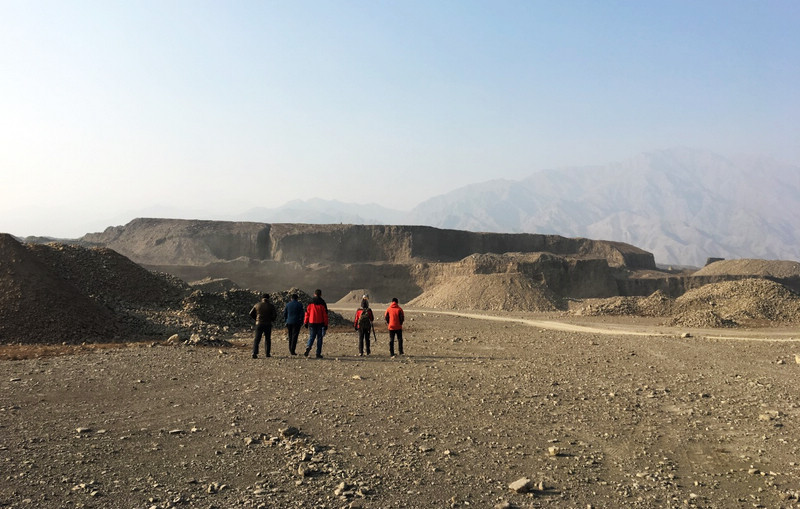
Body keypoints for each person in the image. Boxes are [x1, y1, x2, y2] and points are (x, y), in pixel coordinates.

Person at [249, 293, 277, 358]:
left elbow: (250, 313)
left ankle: (254, 352)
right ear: (268, 298)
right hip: (268, 324)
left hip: (259, 324)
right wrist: (271, 320)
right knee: (267, 339)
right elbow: (275, 315)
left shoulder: (257, 305)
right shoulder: (271, 306)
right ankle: (267, 353)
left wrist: (256, 319)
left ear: (262, 298)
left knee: (257, 338)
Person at [303, 289, 329, 358]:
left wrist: (305, 322)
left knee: (312, 336)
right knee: (319, 338)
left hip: (311, 322)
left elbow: (307, 313)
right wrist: (326, 324)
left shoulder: (310, 302)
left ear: (314, 294)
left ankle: (308, 346)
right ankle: (318, 353)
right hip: (320, 323)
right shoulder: (323, 303)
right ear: (321, 294)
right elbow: (325, 315)